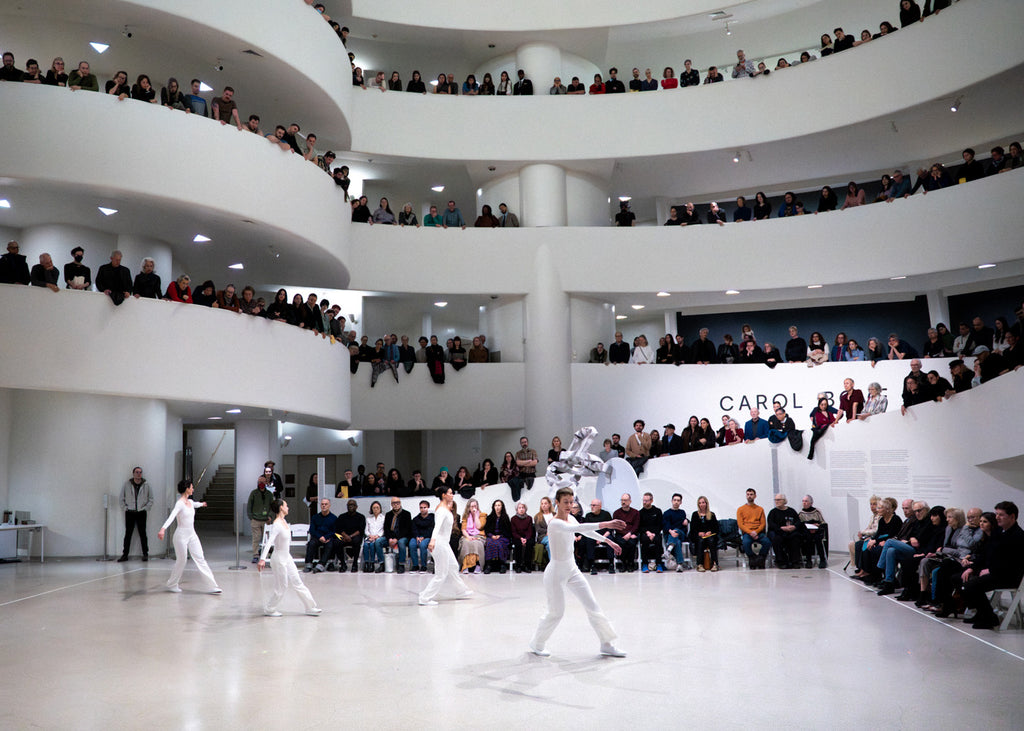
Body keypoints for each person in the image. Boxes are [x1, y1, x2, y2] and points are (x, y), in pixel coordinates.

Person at [529, 487, 626, 658]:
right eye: (565, 502)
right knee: (556, 612)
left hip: (572, 569)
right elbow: (574, 529)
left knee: (593, 606)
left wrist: (607, 541)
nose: (568, 505)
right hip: (555, 572)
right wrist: (606, 524)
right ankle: (537, 643)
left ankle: (607, 644)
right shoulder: (555, 523)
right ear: (556, 503)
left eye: (571, 502)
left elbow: (584, 530)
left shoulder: (571, 518)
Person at [961, 501, 1024, 629]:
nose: (997, 517)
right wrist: (973, 568)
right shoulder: (998, 532)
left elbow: (1011, 563)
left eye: (1001, 515)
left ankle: (989, 617)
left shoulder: (1018, 536)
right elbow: (986, 553)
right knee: (962, 579)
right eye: (996, 514)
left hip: (1008, 576)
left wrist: (990, 570)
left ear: (1012, 517)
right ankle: (983, 613)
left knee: (971, 585)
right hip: (996, 572)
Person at [258, 499, 320, 616]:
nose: (288, 508)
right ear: (281, 507)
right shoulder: (277, 524)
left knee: (297, 582)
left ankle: (310, 607)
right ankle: (270, 609)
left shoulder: (284, 521)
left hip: (287, 557)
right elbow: (269, 542)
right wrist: (262, 559)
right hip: (278, 559)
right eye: (286, 505)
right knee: (282, 586)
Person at [158, 480, 221, 594]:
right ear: (187, 488)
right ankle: (172, 584)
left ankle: (213, 586)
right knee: (181, 561)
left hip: (192, 535)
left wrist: (202, 504)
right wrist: (163, 529)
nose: (193, 489)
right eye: (191, 487)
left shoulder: (190, 502)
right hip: (180, 536)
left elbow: (196, 504)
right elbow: (172, 516)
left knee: (200, 558)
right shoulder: (180, 503)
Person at [419, 488, 474, 605]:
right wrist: (432, 541)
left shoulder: (443, 508)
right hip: (439, 544)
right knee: (441, 574)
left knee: (453, 566)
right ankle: (424, 597)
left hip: (444, 543)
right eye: (450, 493)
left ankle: (461, 591)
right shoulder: (442, 510)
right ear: (444, 495)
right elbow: (437, 527)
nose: (452, 494)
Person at [118, 467, 153, 562]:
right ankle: (125, 555)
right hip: (130, 512)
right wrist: (126, 508)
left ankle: (145, 554)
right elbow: (121, 498)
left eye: (140, 472)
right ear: (133, 473)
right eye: (137, 472)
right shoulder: (127, 484)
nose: (139, 474)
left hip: (141, 512)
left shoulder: (146, 485)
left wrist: (145, 508)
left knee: (143, 533)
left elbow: (151, 499)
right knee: (128, 534)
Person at [768, 494, 803, 569]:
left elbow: (798, 521)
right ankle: (781, 561)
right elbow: (771, 524)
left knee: (795, 538)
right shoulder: (773, 512)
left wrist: (794, 526)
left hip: (791, 531)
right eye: (775, 500)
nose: (776, 502)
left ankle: (795, 561)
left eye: (778, 500)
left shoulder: (791, 511)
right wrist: (781, 528)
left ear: (784, 501)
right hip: (779, 532)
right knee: (777, 539)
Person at [737, 488, 770, 569]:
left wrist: (756, 532)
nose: (749, 496)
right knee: (746, 543)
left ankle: (761, 558)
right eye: (748, 494)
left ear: (755, 496)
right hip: (747, 533)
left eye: (751, 494)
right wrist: (750, 532)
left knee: (767, 542)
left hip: (758, 532)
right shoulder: (740, 509)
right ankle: (752, 558)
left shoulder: (760, 509)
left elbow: (763, 523)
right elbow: (740, 524)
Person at [247, 476, 273, 564]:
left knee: (267, 538)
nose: (261, 483)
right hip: (256, 519)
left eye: (263, 481)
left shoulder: (269, 494)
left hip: (266, 520)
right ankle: (255, 555)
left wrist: (270, 516)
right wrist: (251, 517)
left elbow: (272, 506)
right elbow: (249, 505)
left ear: (266, 483)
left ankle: (267, 554)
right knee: (256, 538)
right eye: (259, 482)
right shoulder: (254, 493)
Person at [305, 498, 336, 572]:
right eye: (322, 504)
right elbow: (312, 530)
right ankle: (308, 564)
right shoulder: (315, 517)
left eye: (326, 504)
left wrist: (325, 537)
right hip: (317, 537)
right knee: (311, 543)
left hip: (328, 538)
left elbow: (335, 531)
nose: (324, 506)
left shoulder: (334, 518)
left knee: (330, 544)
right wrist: (320, 537)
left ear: (329, 505)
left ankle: (321, 564)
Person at [798, 495, 828, 569]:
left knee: (818, 539)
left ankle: (822, 560)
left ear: (811, 503)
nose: (804, 503)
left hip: (817, 531)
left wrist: (817, 525)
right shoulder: (801, 513)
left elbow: (823, 523)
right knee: (807, 539)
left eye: (806, 501)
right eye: (803, 501)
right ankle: (808, 560)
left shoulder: (816, 512)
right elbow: (800, 524)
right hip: (807, 532)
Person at [690, 496, 719, 572]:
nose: (702, 504)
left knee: (711, 540)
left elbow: (716, 527)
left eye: (703, 502)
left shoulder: (711, 514)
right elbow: (692, 528)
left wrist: (710, 532)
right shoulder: (695, 515)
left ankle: (715, 563)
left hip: (710, 535)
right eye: (700, 503)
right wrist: (699, 533)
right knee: (700, 541)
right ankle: (699, 564)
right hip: (699, 536)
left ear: (706, 503)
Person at [637, 492, 664, 573]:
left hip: (655, 533)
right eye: (643, 500)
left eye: (646, 501)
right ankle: (645, 564)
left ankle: (659, 563)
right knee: (644, 540)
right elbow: (640, 526)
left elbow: (660, 525)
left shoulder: (658, 511)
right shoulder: (640, 512)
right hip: (645, 533)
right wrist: (647, 532)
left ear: (651, 501)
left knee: (658, 540)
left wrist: (653, 533)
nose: (644, 502)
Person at [384, 497, 412, 573]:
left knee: (401, 542)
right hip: (391, 537)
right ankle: (382, 564)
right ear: (391, 504)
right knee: (378, 542)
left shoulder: (406, 514)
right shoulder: (388, 515)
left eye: (397, 503)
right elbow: (386, 528)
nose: (396, 505)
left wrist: (396, 539)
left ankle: (401, 564)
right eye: (394, 503)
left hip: (403, 536)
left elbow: (406, 529)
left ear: (400, 504)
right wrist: (390, 538)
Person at [483, 499, 512, 573]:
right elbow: (487, 530)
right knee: (489, 543)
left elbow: (508, 531)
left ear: (502, 507)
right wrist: (491, 535)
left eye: (499, 505)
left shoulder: (505, 517)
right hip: (492, 536)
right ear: (493, 507)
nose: (497, 507)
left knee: (500, 543)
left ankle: (502, 564)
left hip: (502, 537)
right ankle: (489, 565)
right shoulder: (489, 517)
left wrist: (500, 536)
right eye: (496, 505)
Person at [459, 498, 486, 573]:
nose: (474, 508)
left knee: (476, 543)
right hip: (467, 535)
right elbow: (463, 529)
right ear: (468, 507)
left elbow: (479, 526)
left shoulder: (482, 515)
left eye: (475, 506)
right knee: (466, 543)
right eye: (472, 506)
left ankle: (478, 565)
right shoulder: (465, 516)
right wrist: (468, 536)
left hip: (479, 535)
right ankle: (465, 566)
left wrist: (475, 515)